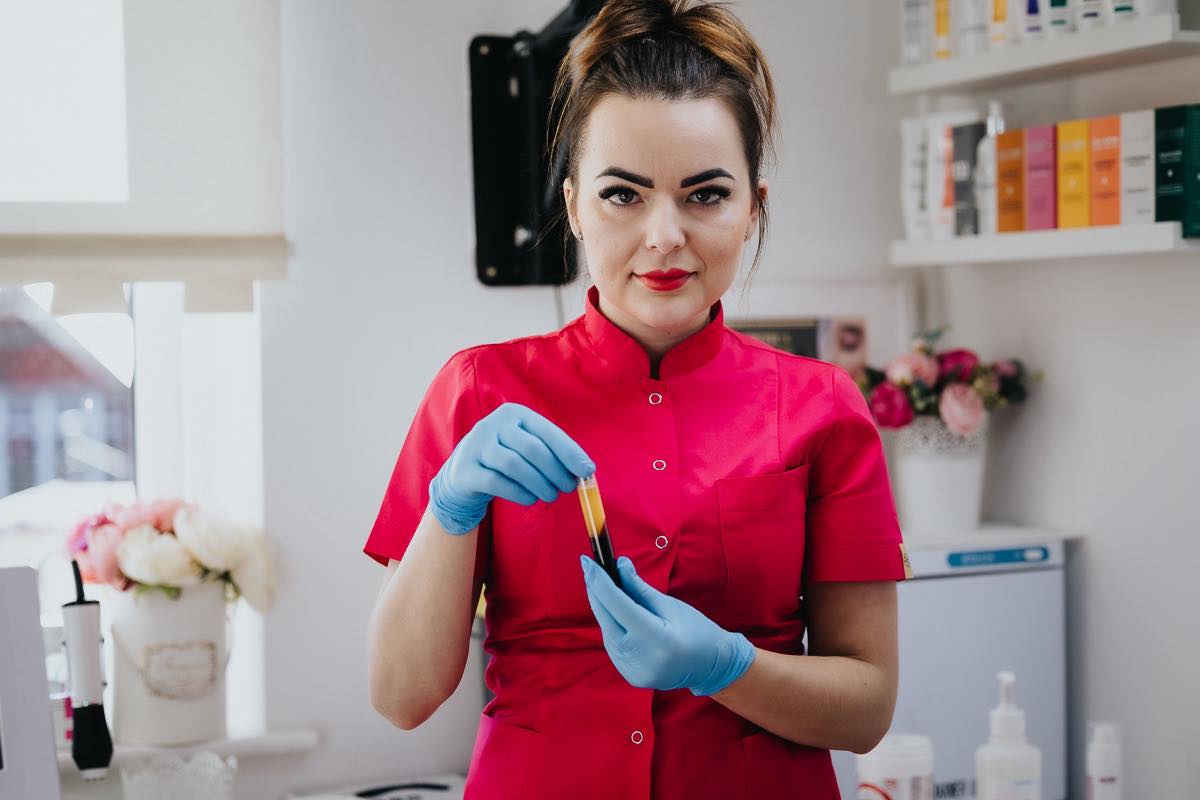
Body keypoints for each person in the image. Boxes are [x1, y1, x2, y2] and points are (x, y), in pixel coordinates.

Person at [365, 1, 910, 796]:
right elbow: (400, 697)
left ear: (752, 205)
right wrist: (448, 508)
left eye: (705, 194)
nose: (664, 235)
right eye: (624, 195)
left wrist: (726, 665)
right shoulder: (478, 392)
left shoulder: (822, 405)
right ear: (574, 203)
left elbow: (867, 707)